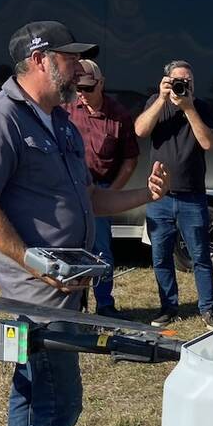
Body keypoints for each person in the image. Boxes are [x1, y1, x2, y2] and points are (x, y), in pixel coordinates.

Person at [0, 21, 169, 426]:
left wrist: (142, 195)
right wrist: (34, 261)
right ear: (39, 58)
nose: (80, 68)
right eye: (70, 58)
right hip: (33, 292)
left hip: (65, 284)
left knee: (31, 389)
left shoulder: (62, 123)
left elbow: (92, 200)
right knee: (60, 400)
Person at [134, 60, 213, 328]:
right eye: (178, 81)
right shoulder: (155, 102)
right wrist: (161, 99)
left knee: (200, 256)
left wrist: (189, 107)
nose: (184, 86)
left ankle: (208, 309)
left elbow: (208, 142)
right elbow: (140, 130)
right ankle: (168, 307)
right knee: (160, 256)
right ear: (166, 81)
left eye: (188, 82)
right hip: (160, 197)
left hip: (192, 196)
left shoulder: (201, 107)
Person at [64, 58, 139, 318]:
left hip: (101, 189)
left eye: (87, 88)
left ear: (101, 84)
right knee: (69, 249)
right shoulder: (65, 109)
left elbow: (130, 160)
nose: (82, 94)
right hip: (69, 190)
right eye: (78, 89)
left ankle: (105, 305)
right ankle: (75, 304)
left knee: (101, 251)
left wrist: (112, 193)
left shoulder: (119, 115)